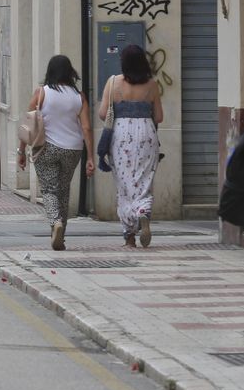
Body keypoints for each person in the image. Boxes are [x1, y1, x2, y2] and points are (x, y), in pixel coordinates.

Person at [20, 55, 94, 252]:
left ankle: (56, 223)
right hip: (73, 149)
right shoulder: (79, 97)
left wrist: (21, 151)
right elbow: (87, 128)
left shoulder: (41, 93)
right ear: (70, 72)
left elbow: (27, 124)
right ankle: (61, 235)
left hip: (47, 148)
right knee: (63, 189)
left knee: (50, 189)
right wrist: (91, 157)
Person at [97, 44, 162, 248]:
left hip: (121, 135)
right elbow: (159, 116)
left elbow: (102, 114)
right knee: (144, 182)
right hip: (146, 134)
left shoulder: (113, 82)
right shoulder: (152, 85)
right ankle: (143, 211)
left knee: (125, 187)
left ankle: (129, 236)